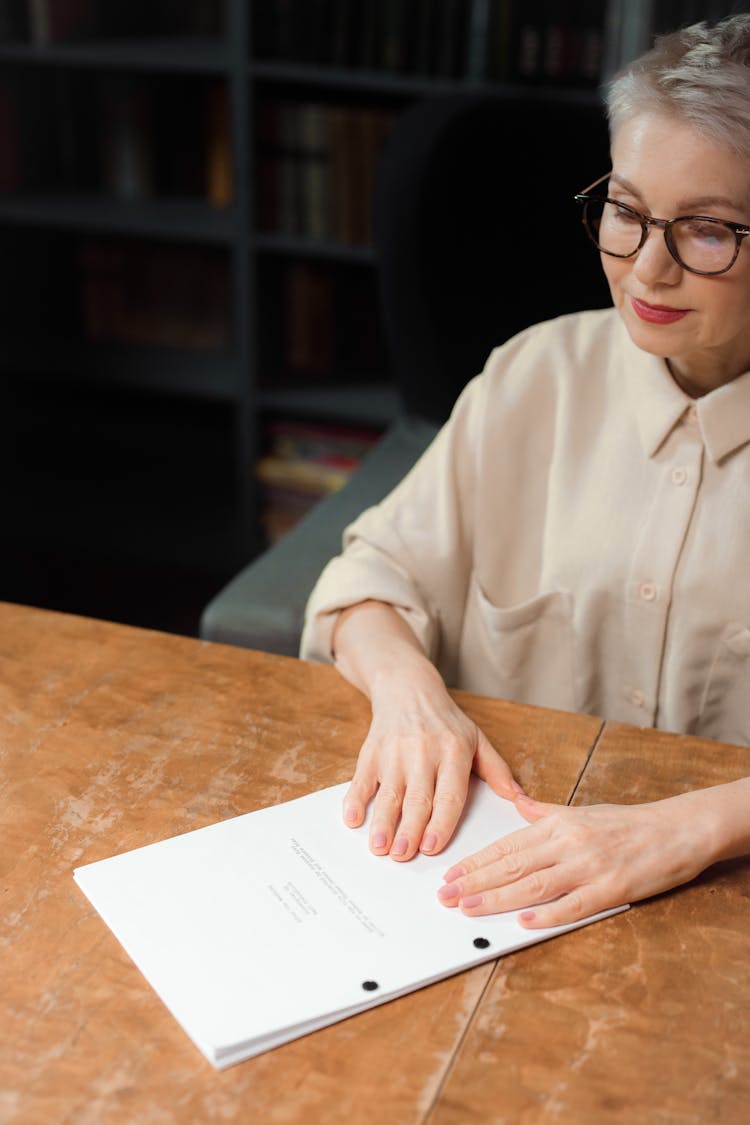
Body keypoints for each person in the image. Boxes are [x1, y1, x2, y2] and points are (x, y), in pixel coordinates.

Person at [300, 16, 750, 928]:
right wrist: (409, 695)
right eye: (625, 211)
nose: (647, 271)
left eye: (705, 230)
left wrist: (695, 825)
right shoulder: (532, 376)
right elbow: (363, 588)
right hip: (481, 885)